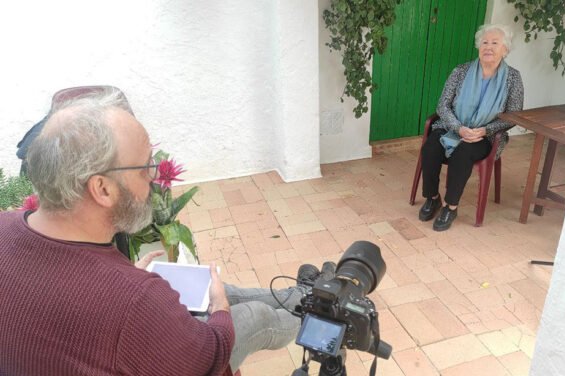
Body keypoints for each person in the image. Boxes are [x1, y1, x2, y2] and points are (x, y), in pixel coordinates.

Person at [0, 90, 332, 376]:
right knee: (252, 315)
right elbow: (207, 358)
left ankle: (305, 296)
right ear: (101, 188)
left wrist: (127, 281)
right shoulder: (135, 302)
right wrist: (220, 310)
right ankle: (320, 314)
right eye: (144, 167)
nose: (155, 177)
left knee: (207, 287)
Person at [418, 23, 524, 231]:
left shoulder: (513, 78)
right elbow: (443, 105)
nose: (488, 47)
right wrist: (458, 128)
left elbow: (514, 115)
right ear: (478, 46)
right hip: (453, 127)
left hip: (486, 136)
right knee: (430, 148)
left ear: (505, 49)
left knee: (463, 152)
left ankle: (451, 206)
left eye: (495, 43)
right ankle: (432, 198)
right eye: (484, 42)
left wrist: (486, 130)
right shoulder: (461, 71)